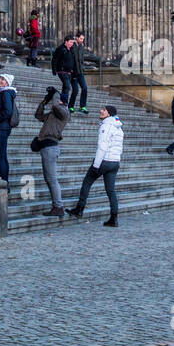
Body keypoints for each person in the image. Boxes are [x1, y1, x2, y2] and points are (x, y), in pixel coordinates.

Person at [68, 104, 124, 227]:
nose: (101, 111)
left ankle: (79, 210)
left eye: (104, 110)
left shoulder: (107, 126)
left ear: (109, 113)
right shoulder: (118, 127)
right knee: (111, 190)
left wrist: (96, 165)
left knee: (87, 182)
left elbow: (102, 146)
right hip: (115, 162)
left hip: (104, 161)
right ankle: (114, 219)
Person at [33, 85, 70, 220]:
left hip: (51, 148)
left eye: (57, 99)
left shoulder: (64, 112)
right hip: (46, 148)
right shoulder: (52, 115)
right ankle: (56, 206)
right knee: (49, 179)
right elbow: (38, 115)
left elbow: (55, 106)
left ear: (61, 101)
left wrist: (55, 94)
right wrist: (44, 101)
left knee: (52, 179)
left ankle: (58, 207)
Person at [0, 74, 16, 185]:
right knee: (2, 156)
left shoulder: (5, 93)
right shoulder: (3, 93)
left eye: (3, 79)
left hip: (3, 128)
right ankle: (5, 182)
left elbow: (8, 111)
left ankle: (4, 183)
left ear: (7, 83)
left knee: (0, 156)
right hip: (3, 127)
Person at [51, 34, 75, 106]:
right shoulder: (60, 49)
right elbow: (54, 59)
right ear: (66, 42)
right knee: (67, 86)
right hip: (61, 70)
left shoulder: (71, 50)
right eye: (70, 42)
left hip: (68, 71)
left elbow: (72, 60)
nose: (72, 44)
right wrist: (54, 69)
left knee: (65, 86)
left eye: (72, 42)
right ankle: (64, 101)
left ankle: (62, 100)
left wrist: (73, 69)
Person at [69, 30, 89, 113]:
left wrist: (83, 67)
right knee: (75, 90)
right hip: (73, 72)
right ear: (76, 38)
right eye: (81, 39)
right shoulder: (71, 45)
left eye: (83, 39)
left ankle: (82, 106)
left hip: (80, 71)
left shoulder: (81, 46)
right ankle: (70, 106)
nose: (82, 40)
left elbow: (82, 59)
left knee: (84, 88)